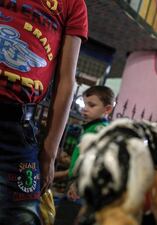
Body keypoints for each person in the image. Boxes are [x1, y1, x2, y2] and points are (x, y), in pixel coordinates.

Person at [0, 1, 88, 224]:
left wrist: (49, 151)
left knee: (23, 215)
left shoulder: (73, 4)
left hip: (16, 129)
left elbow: (66, 81)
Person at [67, 85, 115, 200]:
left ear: (107, 109)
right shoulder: (92, 127)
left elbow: (94, 161)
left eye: (91, 105)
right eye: (85, 104)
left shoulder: (99, 130)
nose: (85, 108)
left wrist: (78, 183)